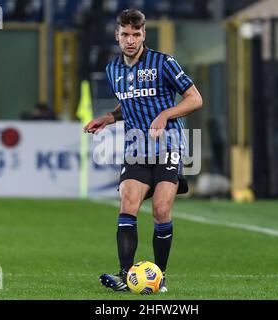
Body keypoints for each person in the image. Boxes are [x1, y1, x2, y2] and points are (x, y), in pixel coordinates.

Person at [83, 9, 203, 292]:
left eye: (136, 35)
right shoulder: (113, 70)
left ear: (144, 35)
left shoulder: (164, 63)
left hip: (168, 145)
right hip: (136, 147)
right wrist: (109, 117)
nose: (130, 40)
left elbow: (195, 99)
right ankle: (126, 276)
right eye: (125, 34)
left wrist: (165, 115)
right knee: (128, 206)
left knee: (161, 210)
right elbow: (131, 103)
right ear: (117, 35)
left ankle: (159, 277)